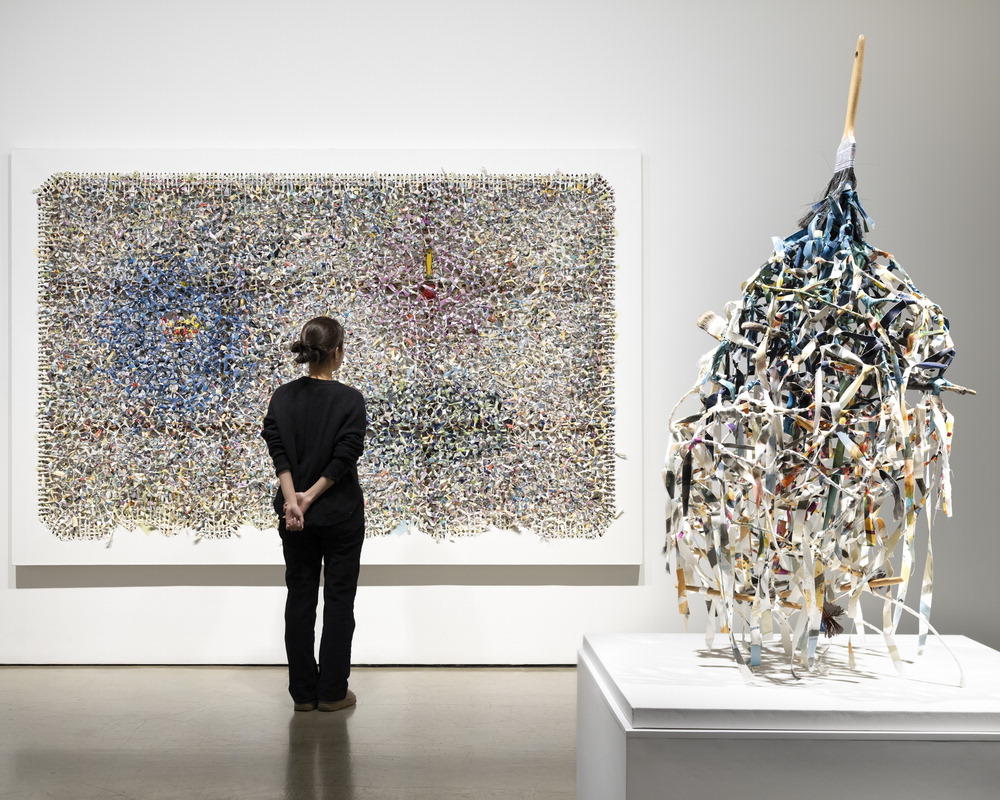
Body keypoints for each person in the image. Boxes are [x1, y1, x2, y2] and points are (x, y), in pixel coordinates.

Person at [262, 316, 367, 712]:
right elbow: (345, 457)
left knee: (300, 598)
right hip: (340, 514)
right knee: (339, 600)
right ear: (337, 351)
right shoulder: (350, 399)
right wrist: (310, 497)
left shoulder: (283, 396)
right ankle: (332, 692)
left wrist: (294, 500)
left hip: (294, 518)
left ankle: (303, 694)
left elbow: (278, 451)